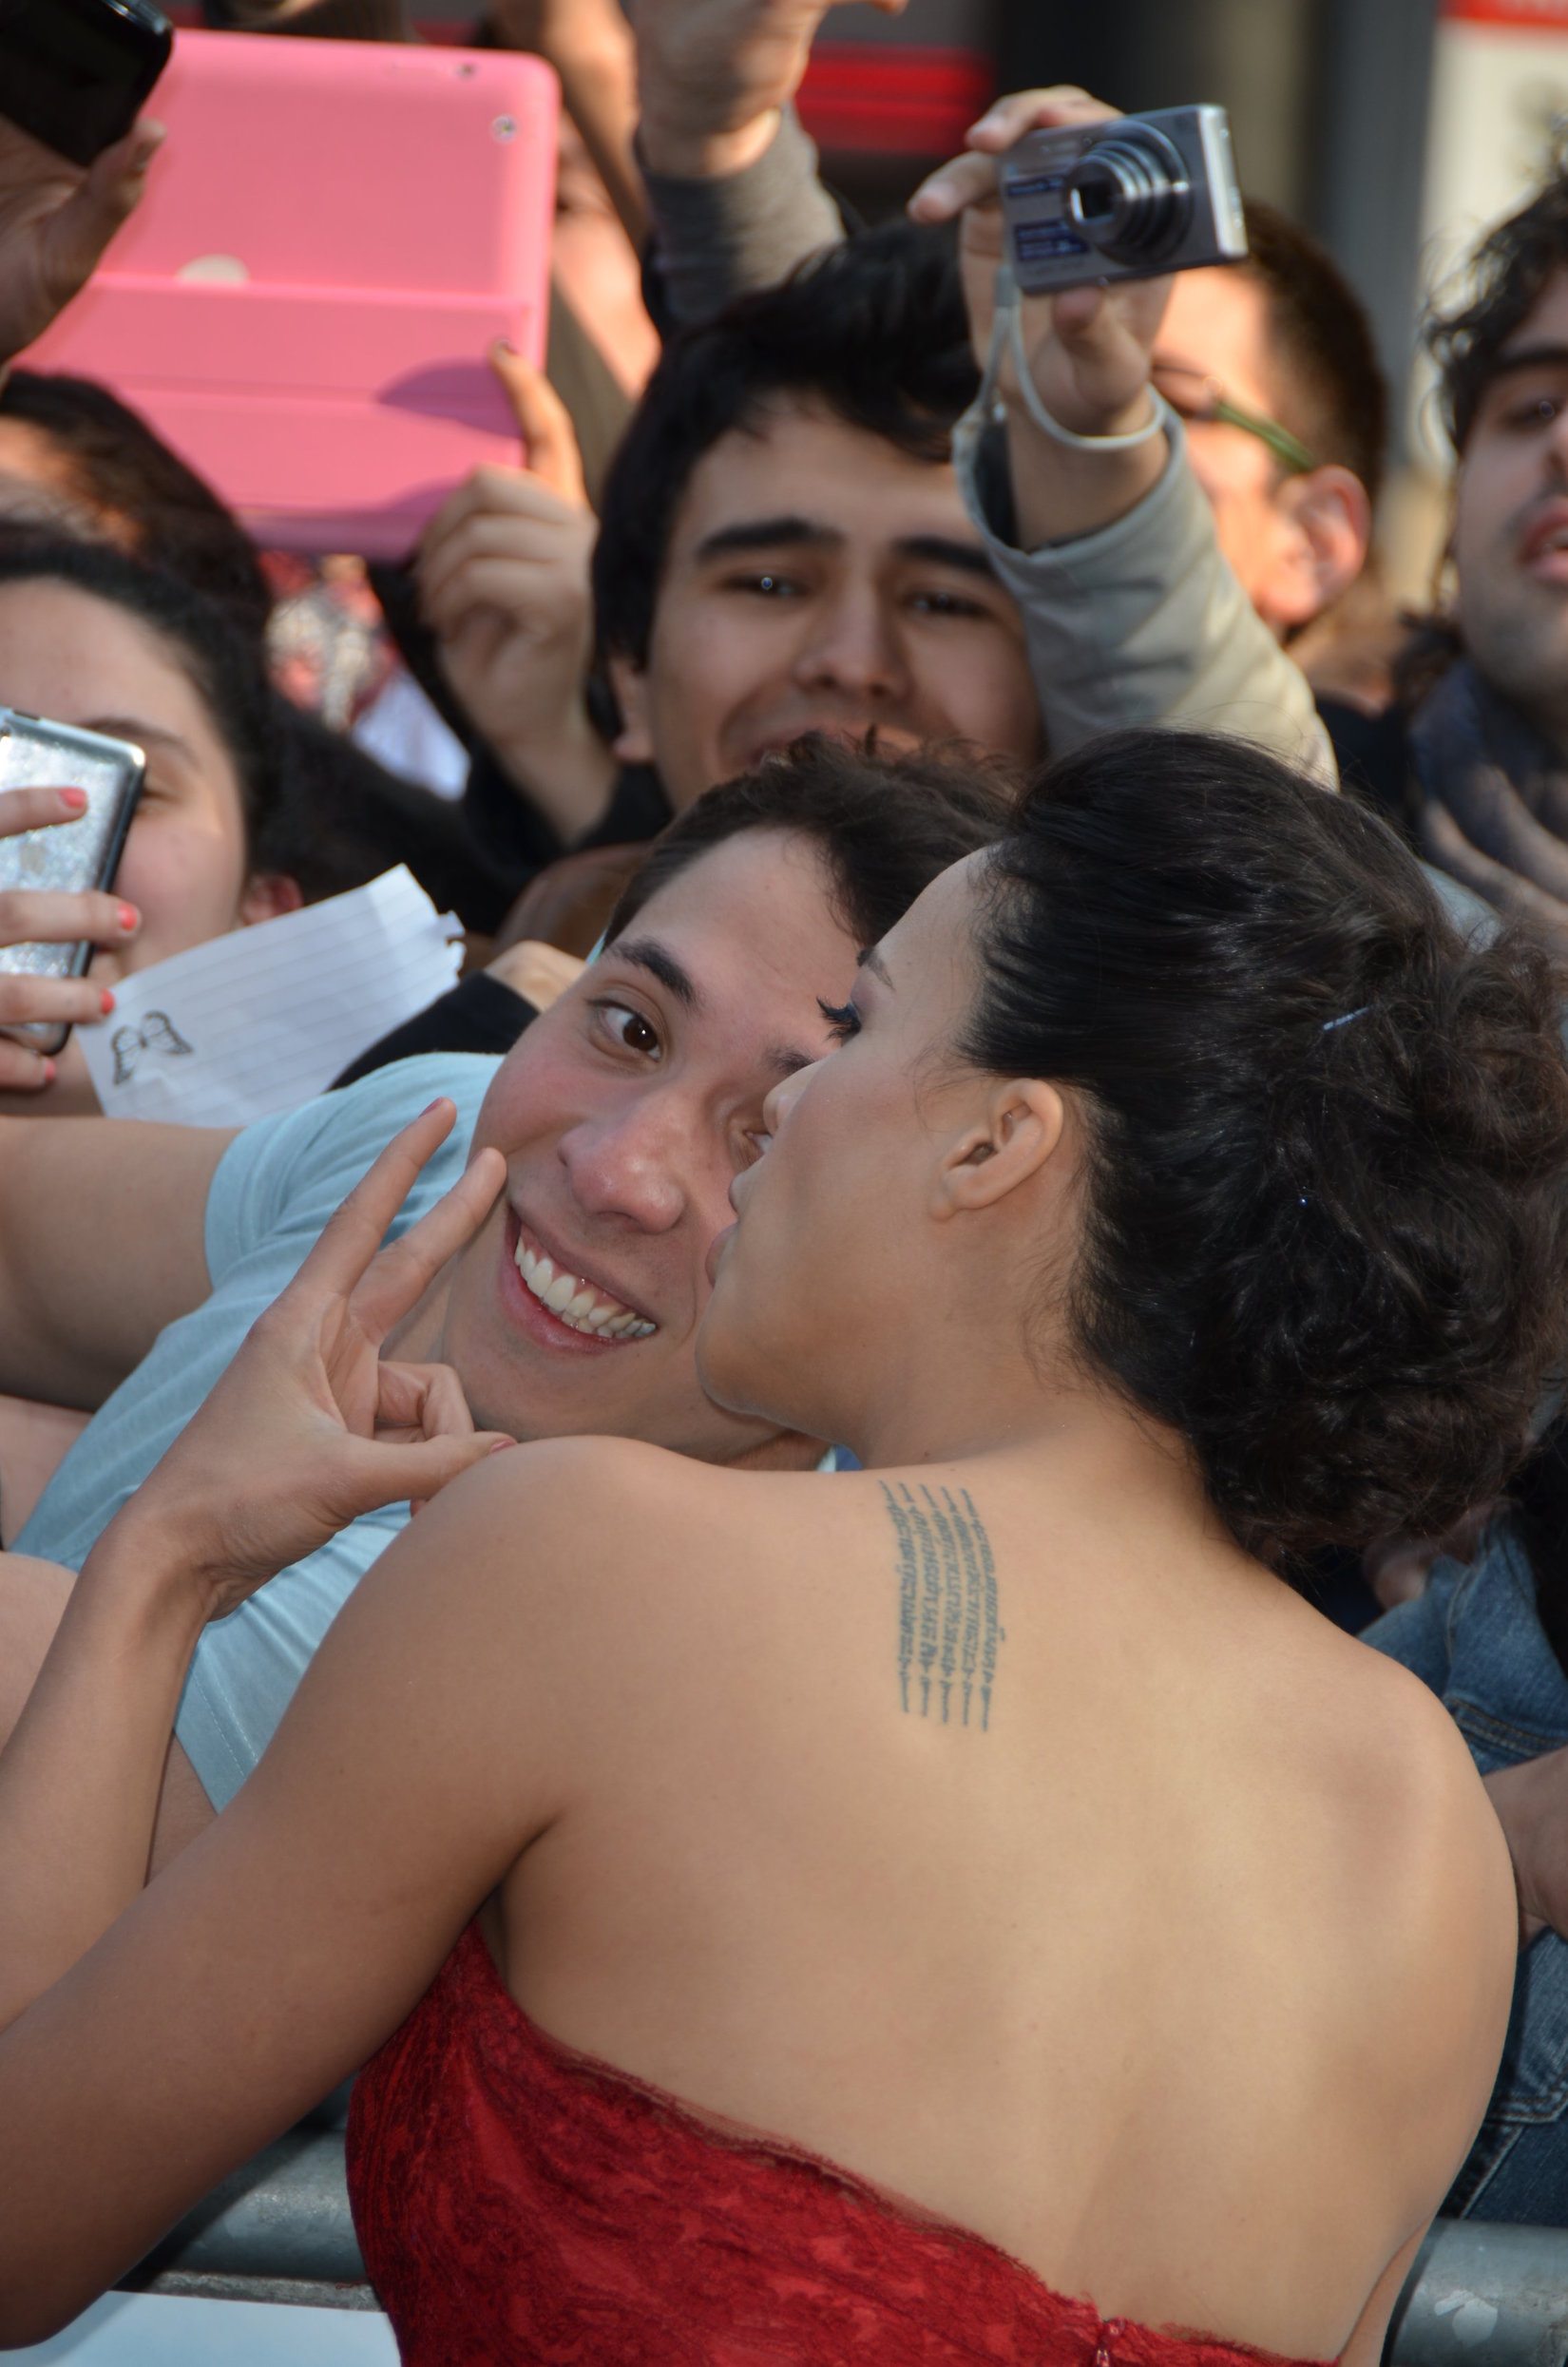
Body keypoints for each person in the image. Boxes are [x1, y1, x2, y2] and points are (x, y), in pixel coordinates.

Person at [0, 731, 1558, 2358]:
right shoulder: (1425, 1823)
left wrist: (168, 1553)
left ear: (995, 1145)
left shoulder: (597, 1567)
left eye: (861, 1024)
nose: (788, 1113)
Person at [0, 743, 1011, 1852]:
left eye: (765, 1131)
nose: (614, 1169)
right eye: (631, 1026)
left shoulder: (598, 1633)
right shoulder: (439, 1140)